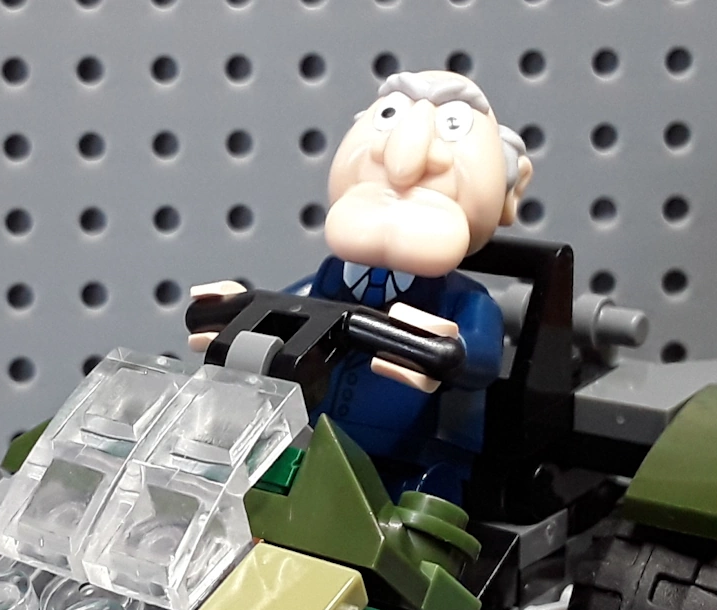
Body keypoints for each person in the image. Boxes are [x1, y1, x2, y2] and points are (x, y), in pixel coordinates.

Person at [189, 70, 533, 503]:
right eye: (388, 116)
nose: (403, 161)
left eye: (452, 127)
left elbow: (480, 358)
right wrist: (238, 313)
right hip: (311, 441)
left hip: (404, 459)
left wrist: (446, 350)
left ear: (510, 189)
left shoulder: (462, 301)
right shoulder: (329, 279)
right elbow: (286, 308)